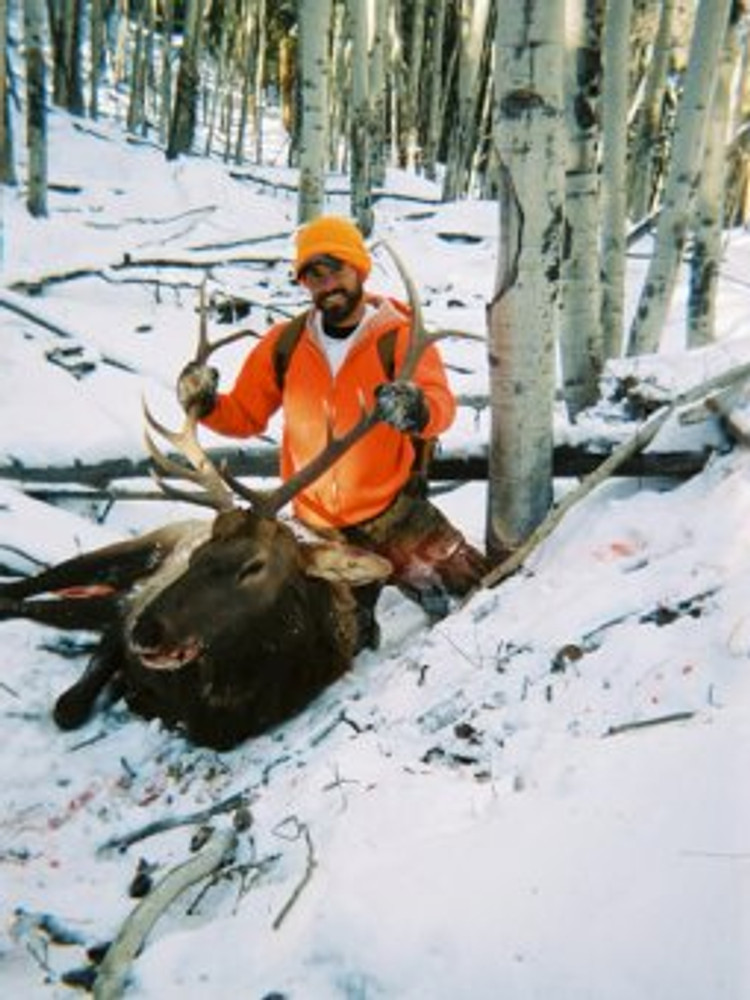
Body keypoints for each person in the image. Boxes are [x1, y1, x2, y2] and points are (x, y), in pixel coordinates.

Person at [177, 214, 489, 634]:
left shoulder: (398, 337)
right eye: (313, 276)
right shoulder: (285, 345)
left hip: (395, 513)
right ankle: (377, 604)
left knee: (481, 589)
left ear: (359, 268)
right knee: (341, 640)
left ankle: (419, 582)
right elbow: (245, 416)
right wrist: (207, 403)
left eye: (336, 270)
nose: (326, 286)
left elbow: (440, 405)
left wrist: (417, 409)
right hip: (318, 529)